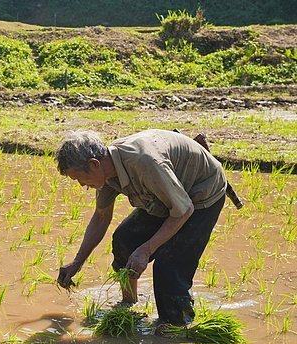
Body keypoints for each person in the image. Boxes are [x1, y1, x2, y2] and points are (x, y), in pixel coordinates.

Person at [55, 129, 227, 326]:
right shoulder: (107, 173)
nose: (81, 185)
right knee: (124, 240)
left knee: (169, 264)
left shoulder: (144, 163)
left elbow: (183, 209)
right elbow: (101, 217)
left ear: (94, 164)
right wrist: (77, 262)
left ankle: (176, 325)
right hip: (164, 196)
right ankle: (129, 302)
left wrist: (146, 249)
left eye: (79, 179)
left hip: (200, 196)